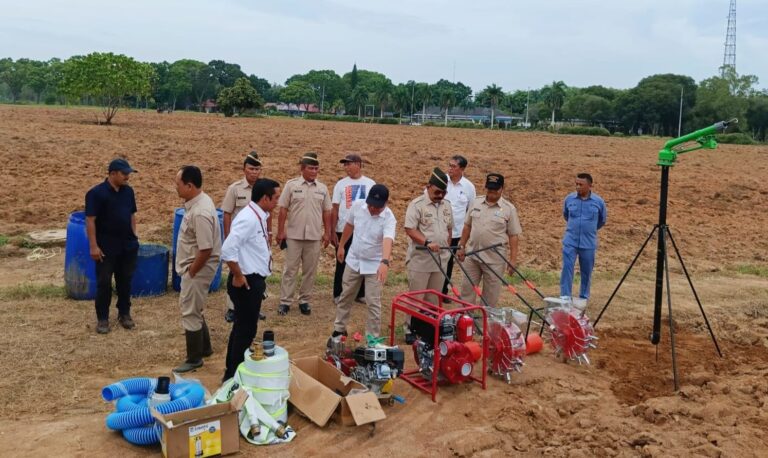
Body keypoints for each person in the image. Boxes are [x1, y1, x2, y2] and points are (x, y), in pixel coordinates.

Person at [221, 178, 281, 381]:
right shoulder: (249, 219)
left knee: (242, 328)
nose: (277, 202)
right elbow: (228, 250)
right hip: (246, 282)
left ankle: (232, 372)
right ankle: (234, 376)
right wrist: (238, 275)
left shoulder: (259, 215)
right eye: (276, 198)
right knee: (245, 330)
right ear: (265, 198)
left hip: (252, 280)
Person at [173, 165, 222, 373]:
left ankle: (194, 358)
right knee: (196, 306)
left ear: (190, 186)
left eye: (178, 184)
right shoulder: (198, 202)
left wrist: (192, 271)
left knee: (190, 309)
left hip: (198, 267)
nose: (176, 188)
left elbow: (206, 248)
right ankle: (206, 348)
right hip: (196, 265)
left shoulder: (200, 212)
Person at [332, 184, 395, 338]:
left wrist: (384, 262)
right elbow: (349, 225)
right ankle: (339, 328)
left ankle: (372, 337)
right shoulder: (358, 206)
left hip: (374, 264)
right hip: (354, 260)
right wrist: (341, 246)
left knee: (373, 302)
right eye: (370, 204)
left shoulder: (389, 218)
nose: (372, 208)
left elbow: (388, 240)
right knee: (346, 294)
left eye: (377, 207)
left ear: (385, 204)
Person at [85, 158, 140, 334]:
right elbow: (90, 220)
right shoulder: (96, 194)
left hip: (127, 245)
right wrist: (93, 246)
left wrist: (134, 236)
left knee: (125, 281)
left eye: (128, 174)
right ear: (112, 173)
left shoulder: (128, 192)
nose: (127, 177)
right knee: (104, 283)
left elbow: (132, 215)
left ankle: (124, 313)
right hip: (106, 246)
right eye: (124, 174)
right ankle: (102, 318)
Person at [276, 152, 332, 316]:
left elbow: (327, 212)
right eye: (311, 168)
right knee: (290, 270)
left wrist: (327, 233)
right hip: (294, 235)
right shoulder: (291, 185)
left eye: (316, 168)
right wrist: (281, 231)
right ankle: (285, 301)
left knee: (310, 270)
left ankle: (305, 300)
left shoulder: (322, 188)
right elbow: (283, 209)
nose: (314, 171)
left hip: (314, 237)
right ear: (302, 169)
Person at [456, 174, 522, 307]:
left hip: (494, 260)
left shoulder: (509, 209)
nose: (491, 193)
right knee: (467, 291)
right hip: (472, 256)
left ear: (502, 189)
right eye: (489, 189)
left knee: (490, 296)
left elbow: (513, 236)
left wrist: (513, 260)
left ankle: (483, 325)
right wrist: (461, 246)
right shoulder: (476, 202)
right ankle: (465, 322)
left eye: (495, 190)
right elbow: (467, 226)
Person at [403, 167, 453, 342]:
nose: (441, 195)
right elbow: (410, 229)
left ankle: (428, 327)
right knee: (417, 296)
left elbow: (449, 228)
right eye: (438, 191)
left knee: (433, 297)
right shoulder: (417, 205)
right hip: (421, 258)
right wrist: (426, 242)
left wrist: (447, 243)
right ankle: (409, 328)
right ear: (429, 186)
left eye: (444, 192)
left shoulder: (446, 205)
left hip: (441, 259)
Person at [221, 151, 266, 323]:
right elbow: (227, 213)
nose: (254, 172)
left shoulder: (263, 189)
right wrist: (228, 236)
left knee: (257, 272)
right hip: (238, 239)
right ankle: (232, 308)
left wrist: (267, 234)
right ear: (244, 169)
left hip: (255, 241)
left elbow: (266, 215)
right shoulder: (235, 189)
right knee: (236, 271)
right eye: (251, 168)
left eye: (257, 169)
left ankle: (255, 306)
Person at [331, 153, 376, 304]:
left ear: (358, 164)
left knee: (363, 259)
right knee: (342, 261)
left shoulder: (370, 183)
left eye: (348, 164)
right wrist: (332, 230)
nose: (346, 167)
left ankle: (360, 293)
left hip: (363, 230)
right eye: (344, 164)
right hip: (343, 228)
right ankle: (338, 293)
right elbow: (335, 208)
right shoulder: (340, 184)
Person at [560, 173, 607, 303]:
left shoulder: (598, 202)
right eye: (576, 184)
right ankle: (565, 298)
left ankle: (583, 298)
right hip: (570, 241)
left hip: (588, 243)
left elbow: (602, 221)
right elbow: (566, 215)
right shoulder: (569, 199)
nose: (578, 187)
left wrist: (589, 229)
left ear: (590, 185)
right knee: (567, 269)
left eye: (581, 184)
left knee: (586, 271)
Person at [442, 155, 476, 300]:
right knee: (435, 259)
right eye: (449, 165)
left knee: (448, 261)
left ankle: (443, 291)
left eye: (453, 166)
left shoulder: (469, 187)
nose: (450, 168)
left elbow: (471, 210)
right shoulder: (441, 181)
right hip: (439, 230)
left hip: (456, 233)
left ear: (462, 169)